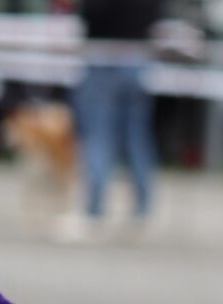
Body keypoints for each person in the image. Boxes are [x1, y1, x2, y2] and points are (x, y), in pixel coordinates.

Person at [64, 0, 162, 240]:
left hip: (102, 55)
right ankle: (142, 212)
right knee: (136, 138)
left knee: (98, 135)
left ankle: (94, 211)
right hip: (138, 56)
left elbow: (90, 13)